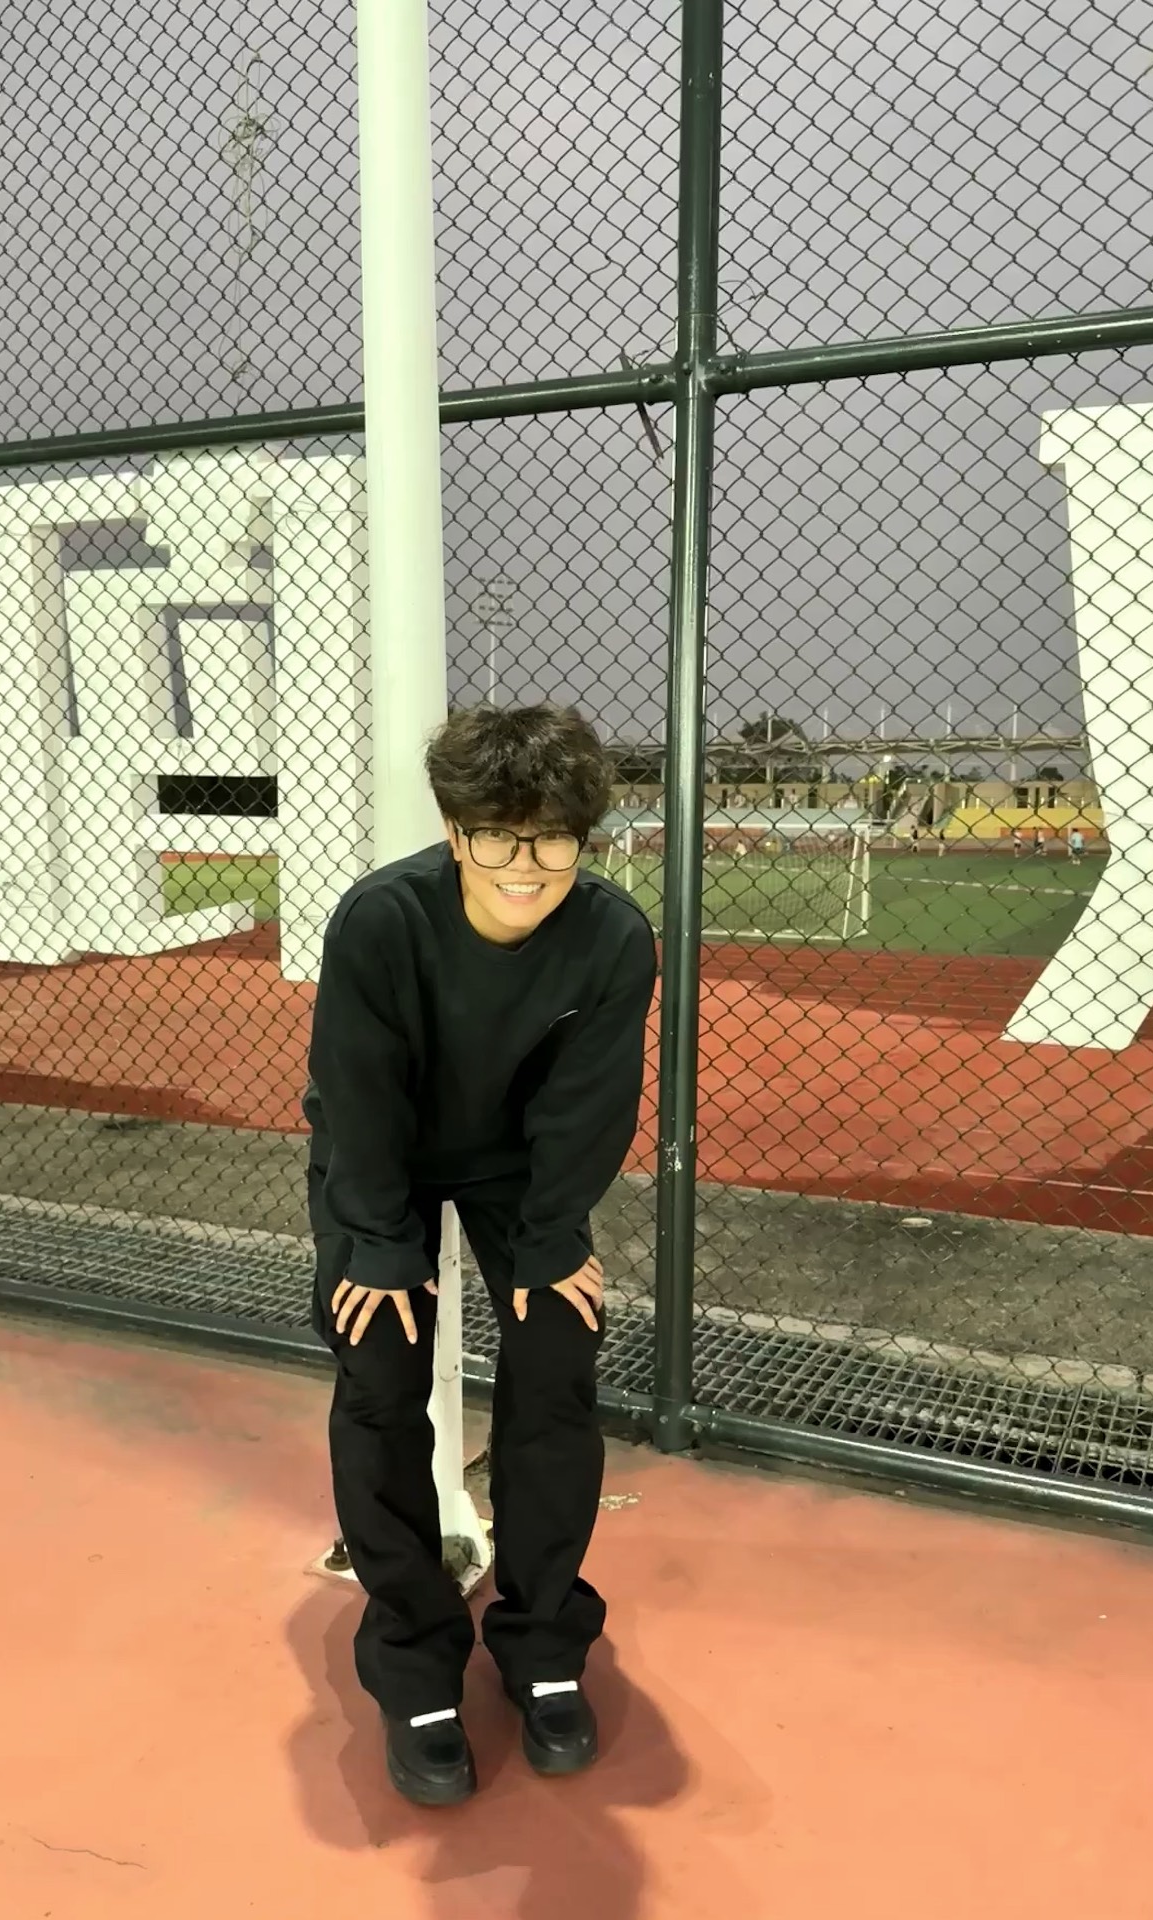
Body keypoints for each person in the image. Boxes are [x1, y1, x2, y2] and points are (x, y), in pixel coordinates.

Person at [303, 703, 657, 1809]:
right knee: (382, 1366)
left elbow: (588, 1107)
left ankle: (543, 1641)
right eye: (497, 835)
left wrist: (551, 1242)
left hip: (520, 1172)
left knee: (557, 1357)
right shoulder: (381, 919)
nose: (525, 865)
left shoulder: (614, 937)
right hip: (385, 1161)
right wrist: (377, 1242)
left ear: (582, 841)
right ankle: (413, 1658)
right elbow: (358, 1093)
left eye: (552, 839)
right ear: (457, 832)